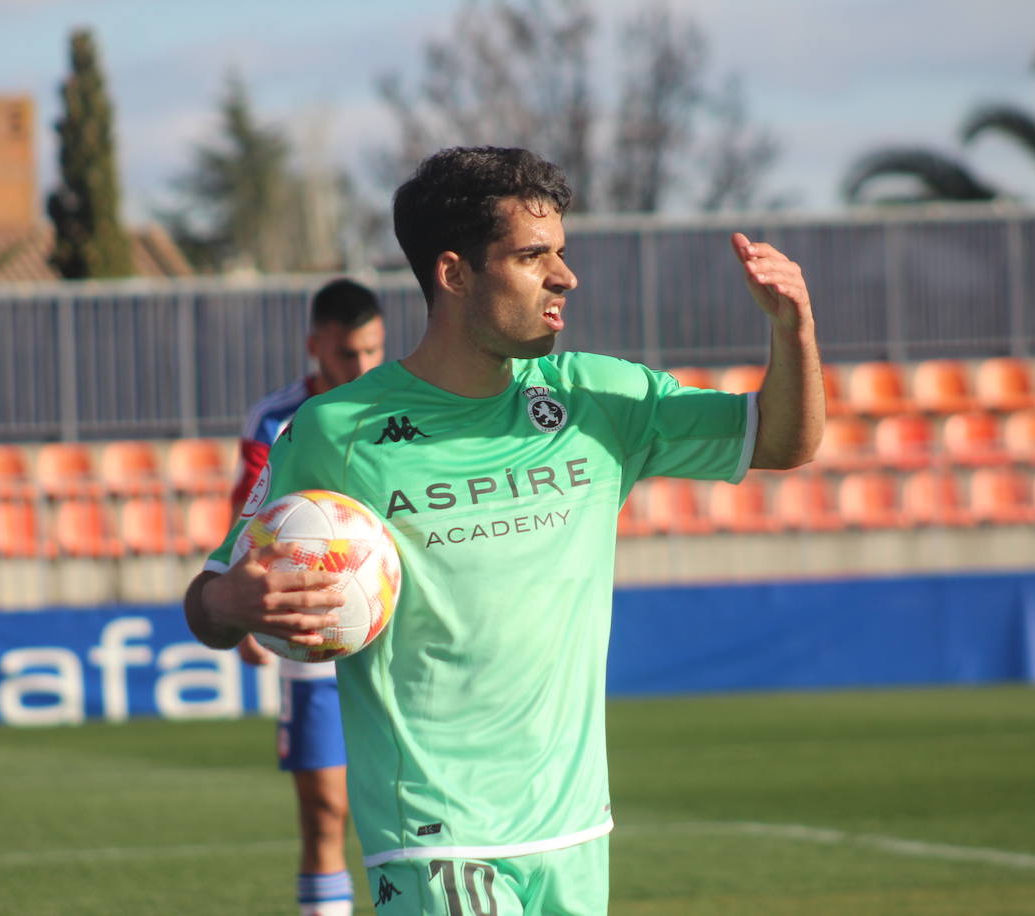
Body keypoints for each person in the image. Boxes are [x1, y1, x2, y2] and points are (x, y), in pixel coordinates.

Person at [185, 146, 823, 915]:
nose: (565, 276)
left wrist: (793, 330)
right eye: (532, 256)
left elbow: (780, 441)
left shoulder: (598, 398)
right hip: (436, 829)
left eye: (561, 253)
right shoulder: (337, 431)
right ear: (454, 274)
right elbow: (209, 595)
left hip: (574, 827)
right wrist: (229, 607)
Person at [229, 278, 384, 916]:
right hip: (310, 622)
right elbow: (246, 519)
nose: (363, 368)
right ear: (315, 346)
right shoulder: (274, 419)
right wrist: (242, 612)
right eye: (349, 354)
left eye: (374, 352)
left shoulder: (401, 401)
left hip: (393, 619)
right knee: (326, 810)